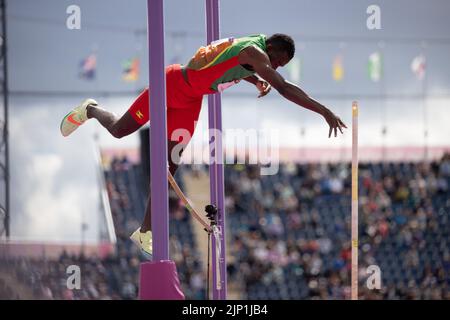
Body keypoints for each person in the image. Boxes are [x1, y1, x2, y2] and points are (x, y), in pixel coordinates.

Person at [60, 34, 347, 258]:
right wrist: (324, 111)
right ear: (271, 47)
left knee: (169, 166)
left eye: (279, 66)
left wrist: (253, 81)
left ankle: (145, 231)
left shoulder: (253, 49)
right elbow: (284, 87)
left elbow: (225, 62)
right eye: (277, 61)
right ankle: (91, 109)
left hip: (190, 100)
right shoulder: (255, 51)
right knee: (120, 130)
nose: (274, 68)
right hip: (171, 84)